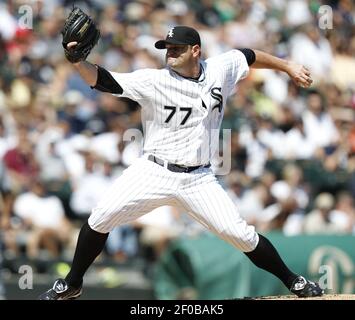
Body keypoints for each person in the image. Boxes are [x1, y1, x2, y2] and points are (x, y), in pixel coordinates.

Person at [39, 25, 323, 299]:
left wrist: (287, 65)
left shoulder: (220, 69)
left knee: (241, 235)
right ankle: (72, 283)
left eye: (177, 48)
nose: (170, 53)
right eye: (167, 48)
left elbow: (248, 55)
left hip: (198, 179)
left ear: (196, 50)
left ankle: (293, 280)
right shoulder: (155, 80)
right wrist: (78, 61)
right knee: (100, 217)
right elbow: (103, 80)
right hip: (153, 170)